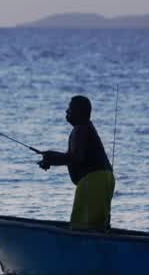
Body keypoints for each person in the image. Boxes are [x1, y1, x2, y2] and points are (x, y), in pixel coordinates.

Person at [37, 95, 116, 230]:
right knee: (97, 226)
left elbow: (76, 157)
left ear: (80, 112)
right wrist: (51, 157)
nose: (66, 111)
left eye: (70, 108)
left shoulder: (80, 129)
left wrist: (51, 159)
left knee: (81, 226)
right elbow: (73, 156)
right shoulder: (87, 128)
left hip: (93, 180)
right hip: (106, 178)